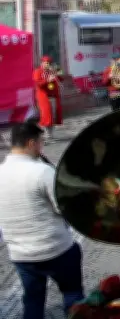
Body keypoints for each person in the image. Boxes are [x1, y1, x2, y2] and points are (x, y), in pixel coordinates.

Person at [0, 121, 85, 319]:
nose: (42, 146)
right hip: (55, 249)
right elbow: (63, 208)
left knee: (32, 299)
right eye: (41, 142)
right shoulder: (42, 172)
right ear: (31, 143)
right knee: (72, 294)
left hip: (21, 254)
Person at [32, 56, 62, 138]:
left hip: (53, 96)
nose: (48, 65)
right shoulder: (37, 71)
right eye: (46, 63)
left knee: (53, 115)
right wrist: (47, 80)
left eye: (49, 63)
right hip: (43, 96)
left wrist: (58, 70)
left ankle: (51, 134)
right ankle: (44, 132)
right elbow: (38, 84)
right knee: (46, 114)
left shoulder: (51, 71)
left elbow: (61, 78)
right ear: (42, 63)